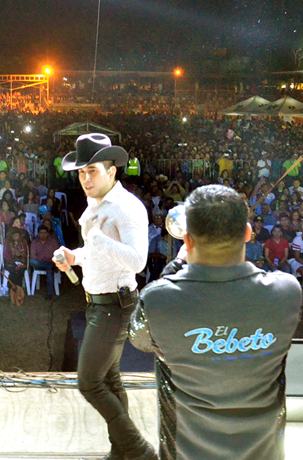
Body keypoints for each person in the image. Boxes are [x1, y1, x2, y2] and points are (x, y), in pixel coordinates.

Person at [129, 185, 301, 460]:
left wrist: (175, 266)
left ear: (187, 239)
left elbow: (139, 338)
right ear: (248, 233)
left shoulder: (158, 300)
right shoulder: (287, 292)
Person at [53, 133, 154, 460]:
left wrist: (98, 241)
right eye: (82, 172)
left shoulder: (127, 208)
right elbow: (97, 252)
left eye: (92, 171)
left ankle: (139, 451)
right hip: (99, 303)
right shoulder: (97, 202)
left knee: (89, 383)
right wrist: (75, 256)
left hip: (115, 306)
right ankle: (120, 452)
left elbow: (137, 261)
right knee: (110, 382)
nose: (85, 178)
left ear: (112, 171)